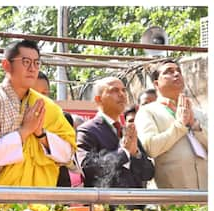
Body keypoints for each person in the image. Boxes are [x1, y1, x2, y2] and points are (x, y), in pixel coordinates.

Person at [0, 39, 75, 186]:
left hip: (40, 202)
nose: (32, 68)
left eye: (36, 63)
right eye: (26, 62)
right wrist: (25, 131)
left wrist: (41, 134)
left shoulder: (45, 106)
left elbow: (68, 156)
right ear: (6, 65)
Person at [135, 61, 207, 190]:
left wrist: (195, 126)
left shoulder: (197, 112)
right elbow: (151, 148)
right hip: (174, 196)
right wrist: (179, 126)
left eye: (178, 71)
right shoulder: (148, 112)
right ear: (156, 83)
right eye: (169, 71)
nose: (176, 74)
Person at [76, 77, 154, 188]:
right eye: (114, 91)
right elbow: (89, 168)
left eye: (123, 90)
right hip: (105, 203)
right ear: (98, 99)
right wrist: (124, 153)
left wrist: (136, 154)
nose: (122, 94)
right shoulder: (87, 131)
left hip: (135, 202)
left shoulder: (127, 132)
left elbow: (148, 173)